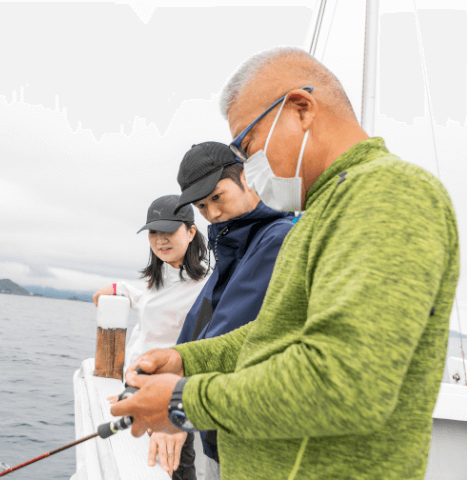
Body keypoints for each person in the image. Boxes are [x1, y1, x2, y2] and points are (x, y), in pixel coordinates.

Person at [111, 46, 460, 480]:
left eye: (248, 144)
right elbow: (276, 333)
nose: (246, 164)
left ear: (301, 108)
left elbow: (347, 383)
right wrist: (188, 361)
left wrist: (182, 400)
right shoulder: (322, 212)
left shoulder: (389, 192)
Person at [168, 141, 294, 479]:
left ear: (245, 179)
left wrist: (172, 400)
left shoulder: (276, 239)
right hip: (219, 431)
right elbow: (200, 322)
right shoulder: (235, 243)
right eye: (201, 206)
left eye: (217, 197)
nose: (212, 213)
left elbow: (229, 332)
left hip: (251, 437)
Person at [93, 194, 209, 479]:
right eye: (153, 232)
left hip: (168, 393)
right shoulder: (162, 276)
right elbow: (151, 300)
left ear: (191, 231)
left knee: (170, 467)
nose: (160, 240)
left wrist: (180, 413)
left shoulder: (205, 283)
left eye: (169, 231)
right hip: (138, 384)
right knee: (142, 462)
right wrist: (119, 287)